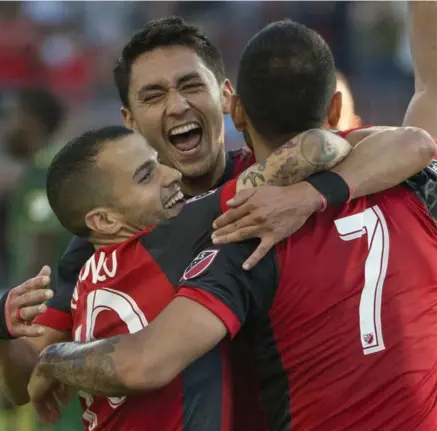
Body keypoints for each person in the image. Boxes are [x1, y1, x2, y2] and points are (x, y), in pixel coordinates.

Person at [0, 7, 437, 426]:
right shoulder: (96, 242)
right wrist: (0, 332)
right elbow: (23, 386)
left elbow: (409, 144)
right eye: (153, 95)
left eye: (190, 86)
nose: (177, 105)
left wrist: (307, 194)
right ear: (130, 120)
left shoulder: (272, 175)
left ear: (227, 98)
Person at [26, 124, 353, 430]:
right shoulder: (167, 240)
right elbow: (316, 148)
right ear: (104, 221)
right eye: (146, 176)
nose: (172, 174)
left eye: (157, 162)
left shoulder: (83, 281)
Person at [0, 88, 81, 431]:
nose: (6, 126)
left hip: (53, 330)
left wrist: (14, 349)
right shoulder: (44, 170)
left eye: (12, 116)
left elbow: (38, 260)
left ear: (32, 121)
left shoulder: (45, 173)